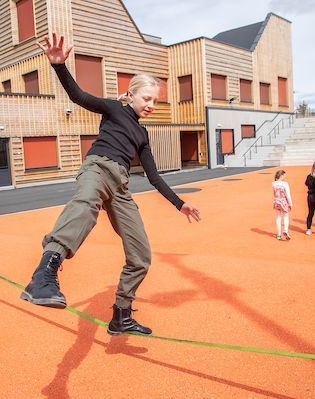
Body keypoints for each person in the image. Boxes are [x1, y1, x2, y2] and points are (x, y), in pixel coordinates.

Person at [20, 34, 201, 336]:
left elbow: (154, 176)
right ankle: (43, 274)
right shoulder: (114, 110)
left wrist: (180, 204)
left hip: (121, 187)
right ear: (130, 95)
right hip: (98, 168)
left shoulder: (142, 136)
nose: (151, 105)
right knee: (85, 206)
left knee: (141, 256)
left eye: (156, 100)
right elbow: (79, 96)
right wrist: (59, 67)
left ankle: (122, 315)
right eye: (147, 98)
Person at [272, 170, 293, 240]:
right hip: (284, 202)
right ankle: (285, 230)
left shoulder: (273, 183)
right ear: (281, 176)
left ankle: (279, 234)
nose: (285, 177)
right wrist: (290, 204)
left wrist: (273, 202)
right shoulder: (285, 184)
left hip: (276, 201)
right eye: (284, 175)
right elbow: (288, 195)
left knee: (278, 217)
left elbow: (274, 194)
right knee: (286, 216)